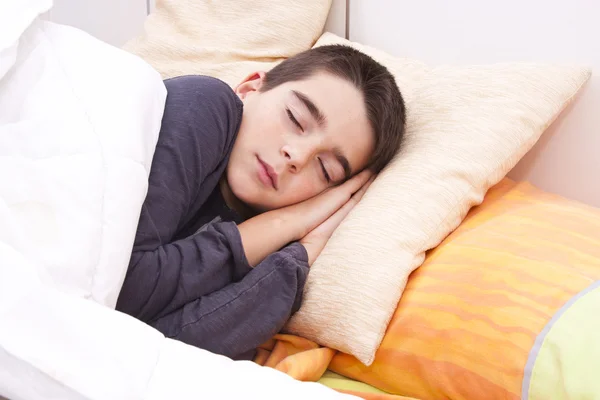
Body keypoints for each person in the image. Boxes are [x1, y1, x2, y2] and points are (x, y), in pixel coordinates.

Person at [115, 45, 406, 360]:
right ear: (251, 87)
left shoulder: (268, 251)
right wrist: (284, 223)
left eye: (326, 170)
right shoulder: (206, 104)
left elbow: (168, 354)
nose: (297, 155)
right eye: (295, 119)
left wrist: (304, 249)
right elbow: (119, 285)